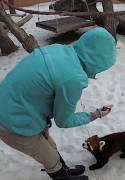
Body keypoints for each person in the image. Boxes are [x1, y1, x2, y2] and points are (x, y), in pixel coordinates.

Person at [0, 27, 116, 180]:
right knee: (50, 158)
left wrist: (43, 124)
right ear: (98, 61)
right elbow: (64, 120)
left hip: (13, 103)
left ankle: (65, 170)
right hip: (11, 123)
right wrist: (96, 114)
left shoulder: (59, 50)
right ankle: (62, 176)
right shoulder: (73, 78)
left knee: (51, 147)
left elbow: (39, 91)